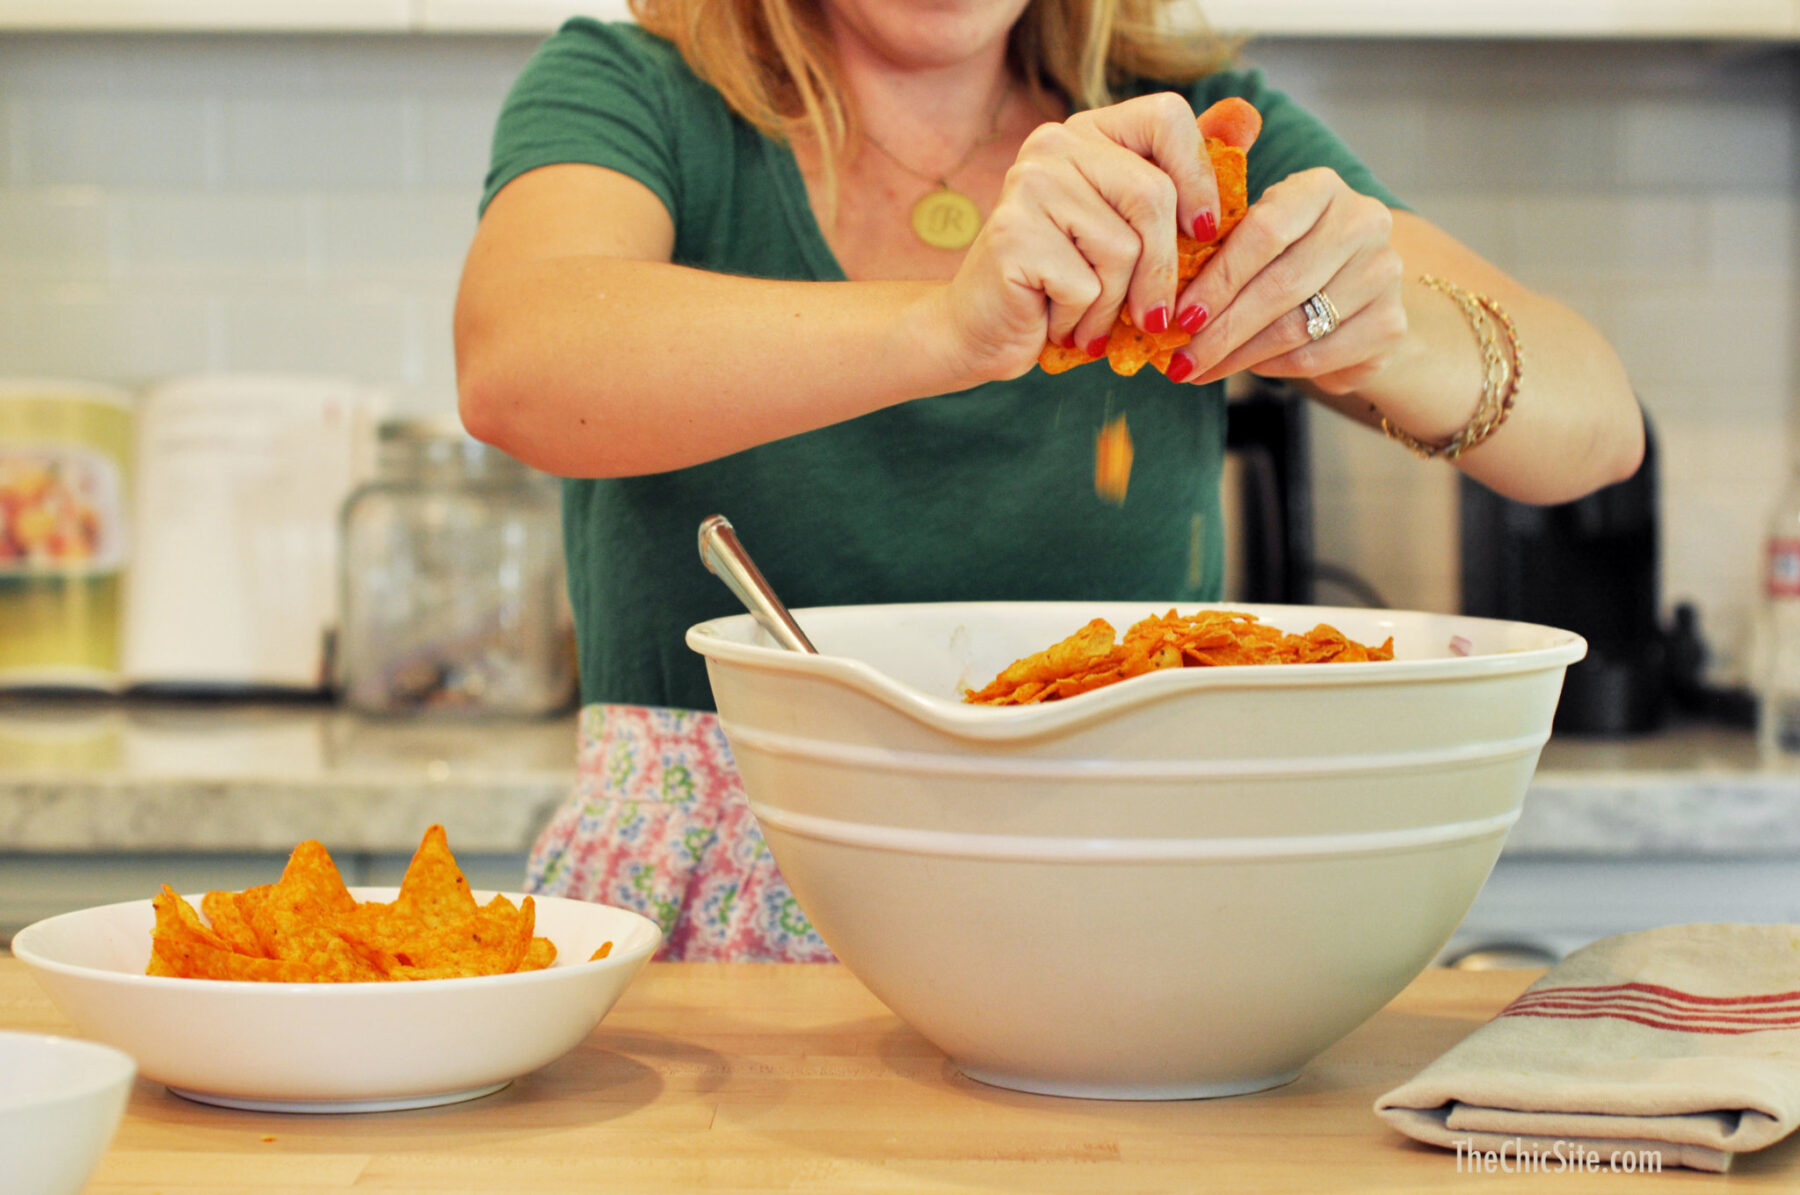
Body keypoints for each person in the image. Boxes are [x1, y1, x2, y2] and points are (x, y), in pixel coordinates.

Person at [454, 0, 1643, 961]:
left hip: (1129, 903)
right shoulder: (635, 90)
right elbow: (518, 358)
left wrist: (1374, 328)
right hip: (707, 918)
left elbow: (1593, 427)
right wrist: (944, 325)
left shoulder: (1195, 132)